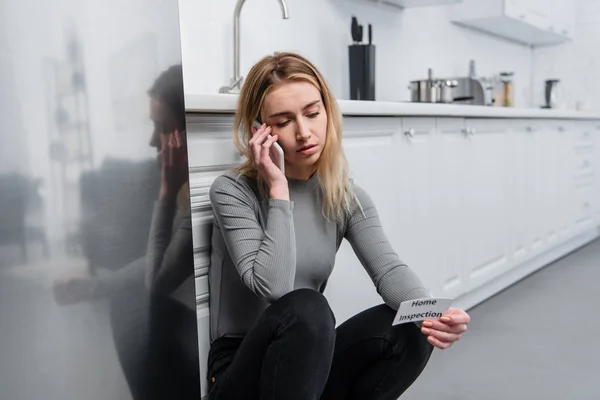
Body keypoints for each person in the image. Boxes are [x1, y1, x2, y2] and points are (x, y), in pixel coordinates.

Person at [207, 52, 471, 400]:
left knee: (411, 327)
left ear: (328, 113)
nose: (304, 132)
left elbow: (388, 269)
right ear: (260, 130)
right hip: (240, 372)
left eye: (313, 113)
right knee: (308, 307)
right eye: (284, 121)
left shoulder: (344, 196)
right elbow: (274, 287)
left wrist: (434, 313)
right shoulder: (232, 191)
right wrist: (278, 190)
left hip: (306, 370)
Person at [53, 65, 201, 399]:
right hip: (188, 311)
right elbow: (159, 259)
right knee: (125, 297)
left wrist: (166, 191)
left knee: (129, 303)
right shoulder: (187, 183)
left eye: (161, 127)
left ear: (186, 130)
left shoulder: (202, 188)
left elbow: (158, 278)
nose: (151, 141)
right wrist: (98, 285)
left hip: (215, 339)